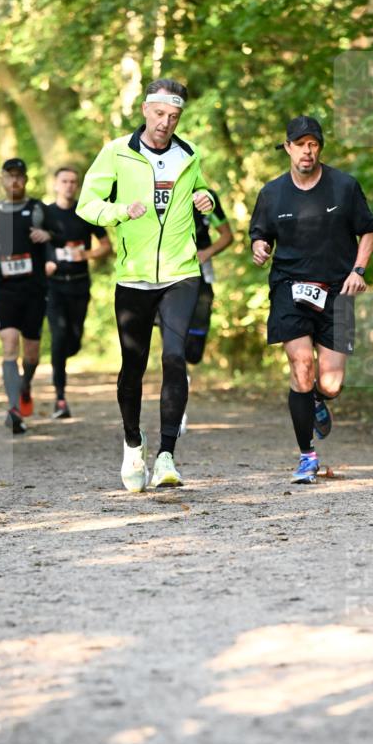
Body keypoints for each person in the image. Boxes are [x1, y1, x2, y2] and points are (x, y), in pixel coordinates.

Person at [77, 78, 213, 492]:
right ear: (145, 110)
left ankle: (167, 456)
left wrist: (204, 197)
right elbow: (88, 204)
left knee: (175, 357)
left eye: (174, 117)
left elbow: (200, 188)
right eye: (159, 114)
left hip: (181, 272)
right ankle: (133, 443)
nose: (165, 123)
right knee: (133, 365)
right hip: (133, 276)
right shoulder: (116, 152)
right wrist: (120, 211)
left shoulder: (188, 155)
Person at [250, 115, 373, 483]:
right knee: (301, 364)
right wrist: (259, 247)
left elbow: (367, 231)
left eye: (313, 144)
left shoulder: (344, 187)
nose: (307, 150)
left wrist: (359, 270)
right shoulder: (272, 193)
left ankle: (317, 399)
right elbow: (261, 235)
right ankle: (307, 456)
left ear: (319, 147)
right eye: (300, 144)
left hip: (337, 290)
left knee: (331, 383)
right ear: (287, 147)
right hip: (290, 288)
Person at [0, 158, 52, 434]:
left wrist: (47, 235)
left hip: (35, 290)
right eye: (10, 176)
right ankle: (13, 408)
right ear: (2, 179)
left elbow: (57, 236)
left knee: (31, 353)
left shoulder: (38, 209)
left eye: (19, 176)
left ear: (26, 179)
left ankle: (26, 385)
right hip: (6, 290)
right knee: (9, 345)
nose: (15, 181)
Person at [157, 188, 232, 434]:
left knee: (193, 352)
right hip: (165, 280)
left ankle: (183, 377)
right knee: (173, 350)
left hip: (201, 280)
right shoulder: (157, 190)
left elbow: (226, 235)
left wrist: (206, 253)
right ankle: (177, 410)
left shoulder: (206, 196)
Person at [44, 166, 111, 419]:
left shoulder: (86, 212)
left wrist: (87, 254)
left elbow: (106, 246)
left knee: (73, 341)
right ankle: (60, 397)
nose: (69, 185)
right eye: (65, 181)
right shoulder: (45, 214)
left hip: (80, 285)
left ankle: (66, 352)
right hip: (55, 287)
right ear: (55, 184)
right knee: (59, 337)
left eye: (74, 181)